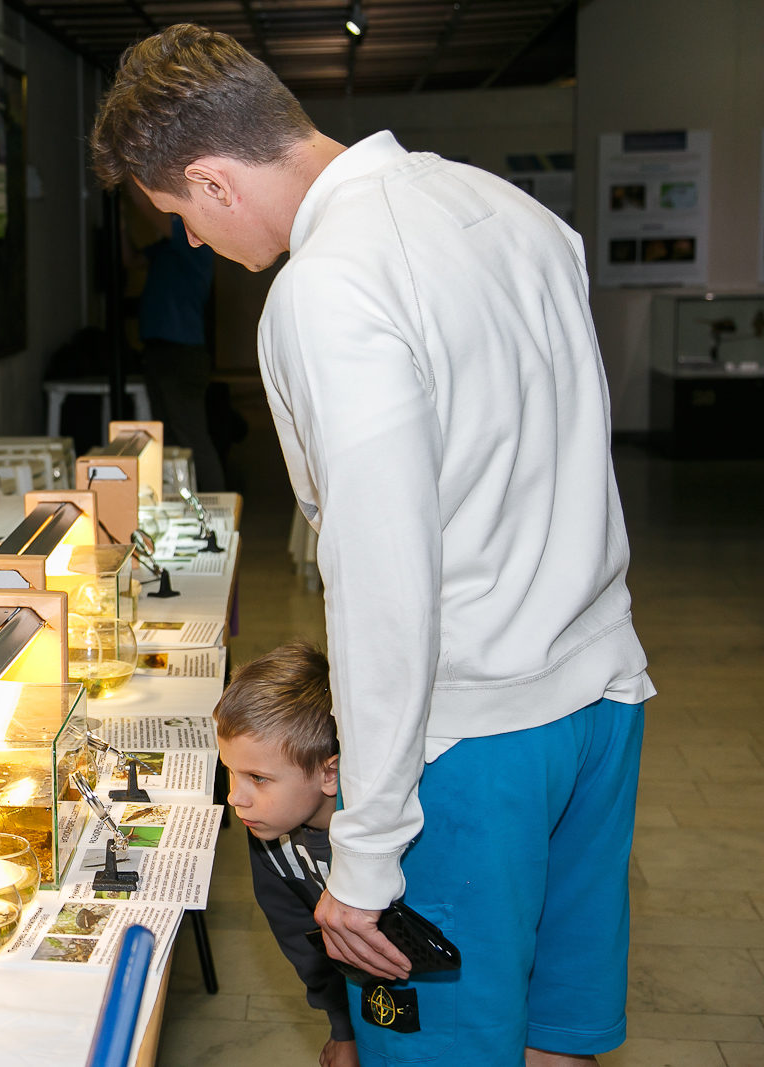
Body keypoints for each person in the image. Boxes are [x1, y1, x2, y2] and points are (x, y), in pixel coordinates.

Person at [92, 24, 653, 1066]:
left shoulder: (327, 285)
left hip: (469, 740)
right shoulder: (508, 210)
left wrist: (367, 842)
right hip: (598, 699)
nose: (199, 247)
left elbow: (386, 584)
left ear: (212, 180)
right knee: (553, 1037)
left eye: (180, 216)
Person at [214, 642, 355, 1067]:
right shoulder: (268, 831)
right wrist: (344, 1030)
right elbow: (304, 941)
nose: (236, 798)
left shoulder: (386, 832)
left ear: (329, 773)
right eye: (230, 771)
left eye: (258, 778)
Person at [124, 182, 227, 491]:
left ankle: (217, 503)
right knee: (168, 436)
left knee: (190, 434)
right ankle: (182, 504)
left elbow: (147, 208)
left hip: (182, 351)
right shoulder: (168, 247)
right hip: (160, 350)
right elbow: (130, 261)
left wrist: (128, 176)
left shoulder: (195, 241)